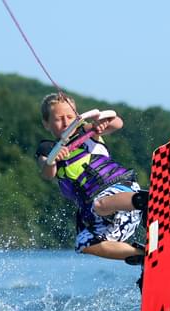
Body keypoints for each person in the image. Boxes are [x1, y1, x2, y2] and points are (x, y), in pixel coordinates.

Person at [35, 92, 147, 262]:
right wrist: (52, 160)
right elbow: (46, 172)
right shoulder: (47, 148)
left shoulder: (86, 130)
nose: (65, 122)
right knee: (83, 243)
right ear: (46, 123)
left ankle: (150, 201)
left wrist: (102, 122)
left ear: (77, 117)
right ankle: (143, 256)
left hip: (120, 190)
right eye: (58, 119)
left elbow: (117, 123)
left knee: (100, 204)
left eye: (70, 116)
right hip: (108, 216)